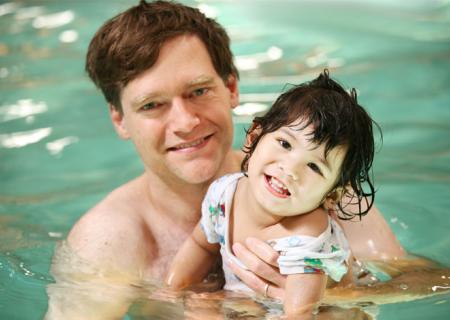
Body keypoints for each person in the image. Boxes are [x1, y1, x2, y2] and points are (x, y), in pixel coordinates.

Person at [46, 1, 411, 318]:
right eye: (152, 105)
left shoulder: (323, 188)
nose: (186, 123)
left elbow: (423, 286)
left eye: (199, 91)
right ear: (120, 120)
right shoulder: (108, 243)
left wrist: (338, 291)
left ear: (232, 89)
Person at [165, 70, 379, 317]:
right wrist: (172, 292)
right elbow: (200, 245)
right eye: (285, 144)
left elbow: (300, 314)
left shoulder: (307, 238)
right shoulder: (224, 195)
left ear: (331, 196)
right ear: (254, 136)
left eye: (313, 166)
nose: (289, 170)